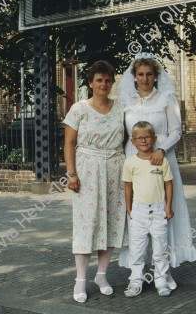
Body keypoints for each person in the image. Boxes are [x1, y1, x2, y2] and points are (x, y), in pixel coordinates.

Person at [117, 52, 196, 290]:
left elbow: (176, 130)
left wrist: (161, 149)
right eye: (140, 74)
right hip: (135, 160)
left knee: (164, 215)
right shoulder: (127, 103)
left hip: (161, 159)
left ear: (155, 76)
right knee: (138, 218)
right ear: (134, 77)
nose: (144, 79)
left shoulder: (165, 98)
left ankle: (165, 272)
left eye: (149, 74)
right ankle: (137, 275)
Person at [63, 60, 126, 303]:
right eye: (99, 80)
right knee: (86, 223)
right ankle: (80, 279)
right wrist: (71, 174)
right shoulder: (79, 109)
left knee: (110, 221)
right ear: (90, 83)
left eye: (108, 80)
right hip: (87, 170)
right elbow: (69, 143)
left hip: (115, 169)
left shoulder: (121, 108)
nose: (104, 84)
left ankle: (101, 275)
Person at [122, 121, 174, 297]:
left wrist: (168, 207)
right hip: (138, 211)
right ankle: (136, 281)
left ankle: (161, 280)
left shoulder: (161, 161)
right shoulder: (130, 163)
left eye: (147, 137)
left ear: (154, 138)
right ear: (133, 141)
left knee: (160, 248)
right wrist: (129, 208)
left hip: (159, 209)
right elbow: (127, 186)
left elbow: (168, 184)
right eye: (139, 138)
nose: (143, 140)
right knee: (137, 249)